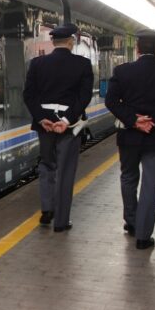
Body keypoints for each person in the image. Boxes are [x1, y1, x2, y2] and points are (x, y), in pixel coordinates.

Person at [105, 29, 155, 250]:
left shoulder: (122, 71)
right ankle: (143, 235)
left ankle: (131, 222)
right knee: (151, 184)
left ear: (138, 48)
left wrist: (133, 120)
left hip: (129, 137)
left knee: (128, 178)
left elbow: (111, 101)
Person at [23, 23, 94, 232]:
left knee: (47, 165)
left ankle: (47, 210)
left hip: (44, 126)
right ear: (71, 42)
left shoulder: (37, 63)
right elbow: (84, 97)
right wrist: (65, 120)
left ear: (53, 42)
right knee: (65, 171)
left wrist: (43, 118)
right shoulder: (82, 64)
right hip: (69, 127)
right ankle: (61, 222)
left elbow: (29, 94)